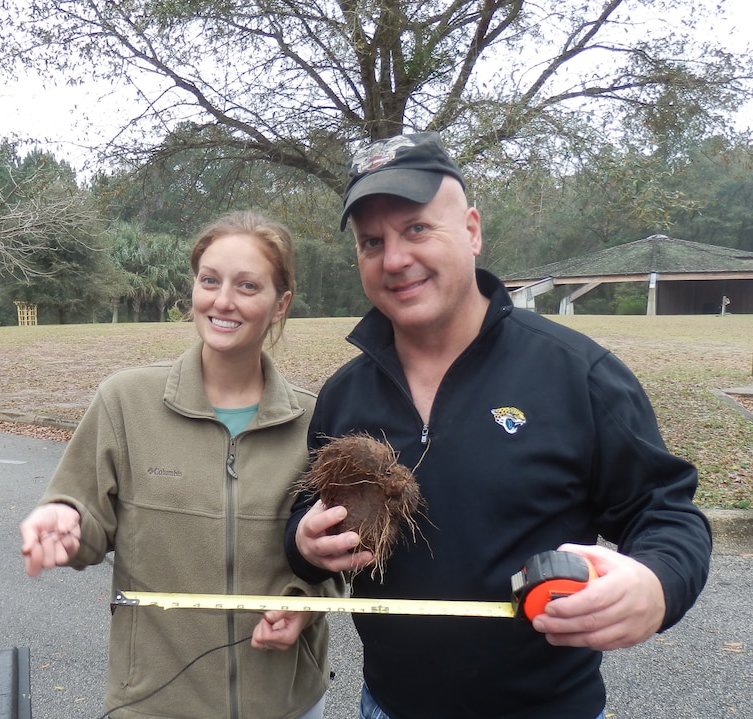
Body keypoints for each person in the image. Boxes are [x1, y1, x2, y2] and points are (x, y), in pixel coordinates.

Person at [285, 133, 712, 719]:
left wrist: (658, 583)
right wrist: (305, 544)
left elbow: (664, 510)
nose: (394, 259)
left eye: (416, 229)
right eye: (371, 242)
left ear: (472, 230)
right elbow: (307, 515)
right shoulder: (344, 394)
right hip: (387, 707)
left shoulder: (576, 374)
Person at [20, 211, 344, 719]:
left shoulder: (316, 420)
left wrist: (305, 602)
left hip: (287, 704)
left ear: (280, 305)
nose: (222, 300)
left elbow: (337, 552)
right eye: (209, 280)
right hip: (153, 704)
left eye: (247, 285)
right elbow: (84, 524)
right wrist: (66, 522)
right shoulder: (125, 401)